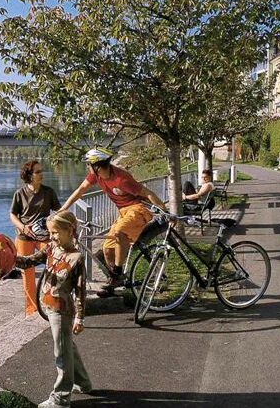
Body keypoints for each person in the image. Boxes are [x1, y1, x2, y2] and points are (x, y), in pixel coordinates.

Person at [59, 147, 168, 297]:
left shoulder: (121, 179)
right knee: (108, 249)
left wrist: (164, 210)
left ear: (96, 165)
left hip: (138, 209)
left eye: (88, 164)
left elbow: (147, 193)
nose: (87, 167)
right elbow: (80, 190)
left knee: (119, 233)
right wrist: (63, 208)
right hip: (123, 212)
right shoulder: (95, 176)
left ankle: (116, 274)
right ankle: (115, 280)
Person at [15, 211, 91, 408]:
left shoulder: (76, 258)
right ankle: (82, 382)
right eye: (50, 232)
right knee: (67, 346)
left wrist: (79, 318)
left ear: (70, 230)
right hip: (48, 306)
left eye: (56, 232)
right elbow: (29, 261)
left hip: (62, 311)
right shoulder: (51, 248)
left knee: (62, 353)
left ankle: (61, 398)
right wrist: (10, 259)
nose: (52, 237)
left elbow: (81, 291)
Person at [10, 160, 61, 316]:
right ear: (29, 175)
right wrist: (23, 227)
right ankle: (31, 310)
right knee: (28, 273)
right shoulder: (20, 194)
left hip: (44, 237)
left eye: (41, 171)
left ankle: (51, 303)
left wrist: (58, 228)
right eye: (38, 172)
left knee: (53, 267)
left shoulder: (49, 192)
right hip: (24, 237)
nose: (41, 174)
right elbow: (12, 214)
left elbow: (58, 211)